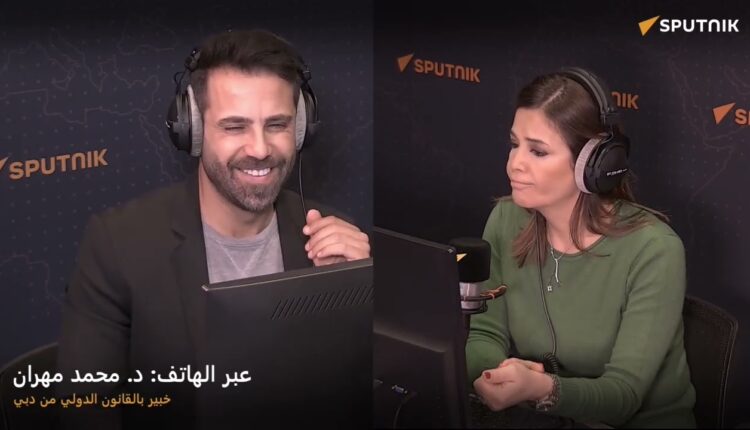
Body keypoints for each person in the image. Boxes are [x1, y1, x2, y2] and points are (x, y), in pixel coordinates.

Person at [55, 29, 370, 428]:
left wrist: (358, 297)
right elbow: (84, 409)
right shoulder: (118, 245)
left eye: (277, 124)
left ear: (301, 128)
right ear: (193, 131)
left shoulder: (335, 241)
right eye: (235, 127)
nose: (260, 149)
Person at [466, 67, 696, 428]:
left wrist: (542, 389)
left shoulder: (655, 250)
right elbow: (485, 333)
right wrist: (492, 376)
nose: (515, 164)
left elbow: (623, 396)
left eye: (538, 151)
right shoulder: (505, 220)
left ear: (594, 164)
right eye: (514, 144)